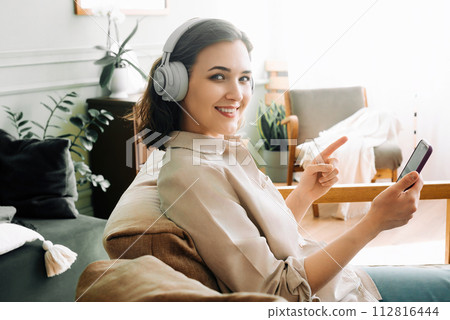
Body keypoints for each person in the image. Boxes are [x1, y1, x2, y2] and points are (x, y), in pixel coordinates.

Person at [131, 18, 450, 302]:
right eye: (218, 77)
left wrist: (305, 193)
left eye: (244, 78)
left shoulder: (216, 149)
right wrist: (374, 223)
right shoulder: (190, 176)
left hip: (340, 283)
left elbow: (264, 240)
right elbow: (279, 292)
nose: (238, 94)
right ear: (175, 85)